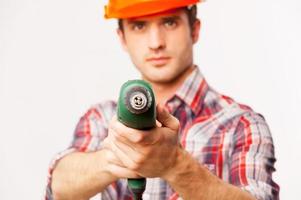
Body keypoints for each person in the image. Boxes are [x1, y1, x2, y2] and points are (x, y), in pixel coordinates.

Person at [45, 0, 279, 199]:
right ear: (122, 38)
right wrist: (114, 158)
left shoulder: (242, 124)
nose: (156, 42)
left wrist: (175, 165)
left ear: (194, 30)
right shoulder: (101, 119)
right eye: (139, 26)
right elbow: (59, 187)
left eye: (170, 22)